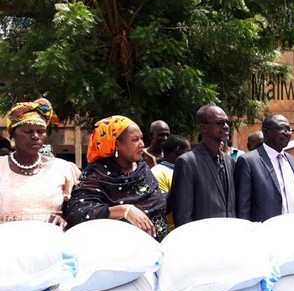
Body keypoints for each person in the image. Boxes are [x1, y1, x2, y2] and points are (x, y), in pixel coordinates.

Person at [64, 115, 168, 241]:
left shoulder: (143, 168)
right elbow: (76, 212)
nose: (141, 144)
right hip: (118, 251)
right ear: (116, 144)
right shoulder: (97, 173)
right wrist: (123, 210)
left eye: (141, 139)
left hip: (157, 246)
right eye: (135, 140)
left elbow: (158, 205)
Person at [0, 98, 80, 226]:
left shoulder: (62, 168)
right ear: (13, 134)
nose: (36, 136)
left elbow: (79, 208)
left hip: (51, 239)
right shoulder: (1, 166)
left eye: (41, 131)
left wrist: (65, 218)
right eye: (28, 131)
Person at [169, 104, 236, 226]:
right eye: (220, 123)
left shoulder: (229, 161)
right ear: (204, 127)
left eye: (227, 122)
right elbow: (182, 214)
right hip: (201, 239)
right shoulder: (187, 162)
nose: (226, 127)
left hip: (230, 237)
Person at [235, 115, 294, 221]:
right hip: (265, 232)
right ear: (266, 132)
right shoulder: (249, 161)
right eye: (282, 128)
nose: (287, 133)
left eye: (289, 129)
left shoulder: (293, 161)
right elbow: (243, 207)